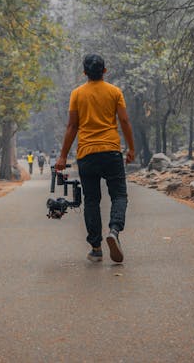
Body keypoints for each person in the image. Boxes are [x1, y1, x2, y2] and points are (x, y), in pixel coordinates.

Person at [55, 54, 135, 264]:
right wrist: (131, 149)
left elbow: (72, 126)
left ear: (84, 73)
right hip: (111, 151)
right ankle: (115, 230)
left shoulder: (77, 94)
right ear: (105, 71)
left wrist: (63, 155)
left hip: (87, 154)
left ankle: (96, 247)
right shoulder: (114, 92)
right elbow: (124, 121)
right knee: (119, 195)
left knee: (92, 200)